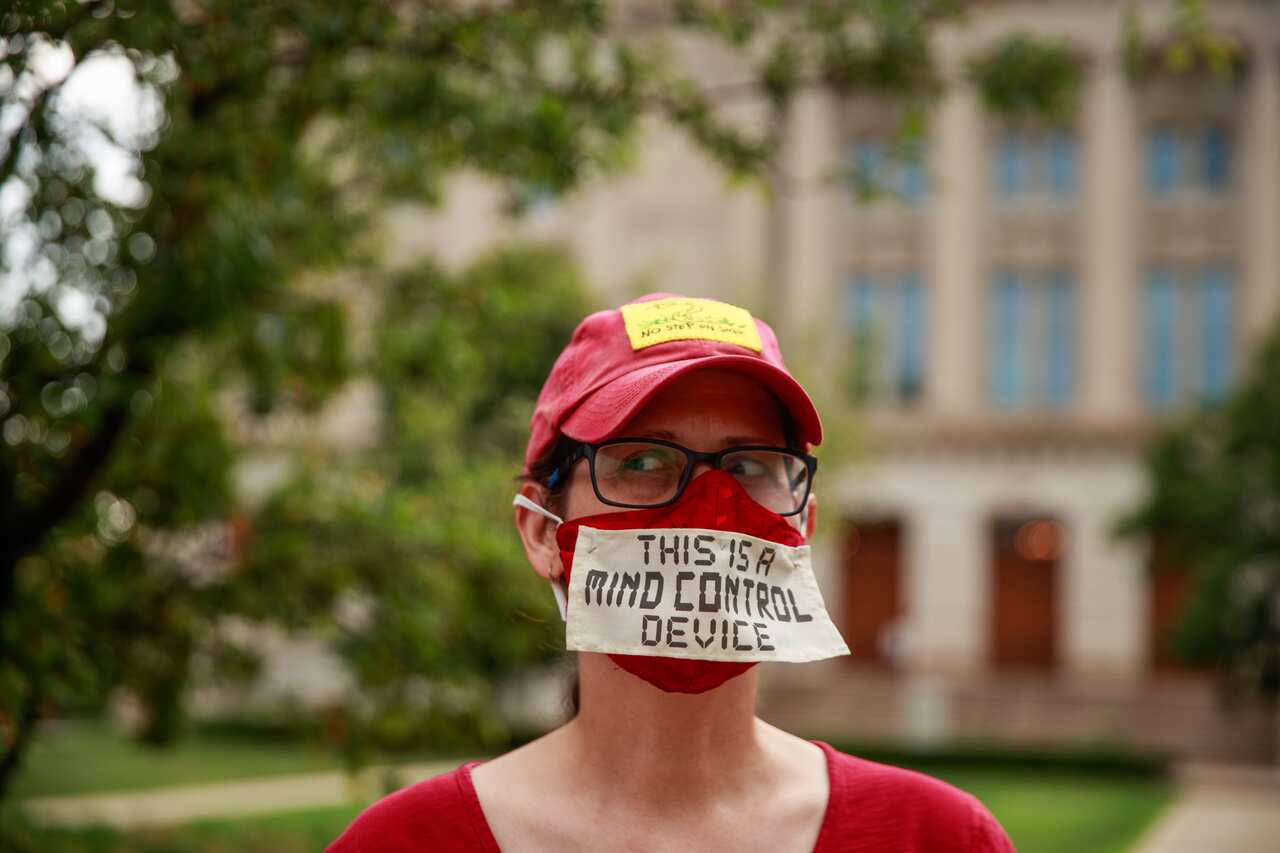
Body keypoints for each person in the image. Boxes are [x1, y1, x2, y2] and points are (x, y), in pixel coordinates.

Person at [328, 293, 1014, 852]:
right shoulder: (403, 842)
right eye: (642, 461)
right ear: (543, 529)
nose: (708, 509)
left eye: (749, 466)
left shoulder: (939, 838)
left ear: (801, 526)